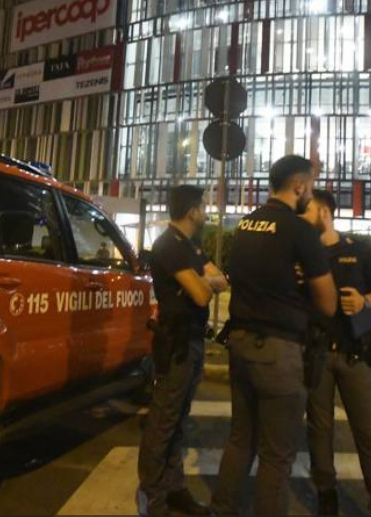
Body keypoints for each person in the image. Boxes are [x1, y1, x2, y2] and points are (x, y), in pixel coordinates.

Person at [211, 156, 338, 516]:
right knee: (276, 457)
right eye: (309, 189)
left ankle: (222, 509)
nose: (309, 196)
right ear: (298, 186)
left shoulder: (247, 224)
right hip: (279, 352)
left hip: (240, 343)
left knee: (240, 441)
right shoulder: (300, 231)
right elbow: (328, 304)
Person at [301, 190, 371, 516]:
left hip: (354, 355)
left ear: (325, 212)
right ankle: (326, 493)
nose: (303, 215)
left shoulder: (359, 251)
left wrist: (365, 301)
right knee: (319, 430)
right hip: (316, 354)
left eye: (309, 209)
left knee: (369, 432)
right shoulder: (303, 255)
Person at [137, 185, 230, 516]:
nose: (206, 211)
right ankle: (152, 497)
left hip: (192, 342)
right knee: (163, 421)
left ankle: (174, 489)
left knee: (179, 419)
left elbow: (219, 279)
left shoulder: (190, 245)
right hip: (175, 344)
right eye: (203, 206)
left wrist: (205, 281)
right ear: (193, 211)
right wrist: (204, 283)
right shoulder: (168, 244)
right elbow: (203, 294)